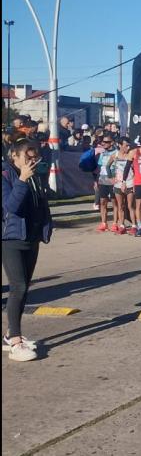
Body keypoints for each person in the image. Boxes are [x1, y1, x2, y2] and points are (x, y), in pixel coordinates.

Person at [2, 138, 52, 361]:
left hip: (31, 237)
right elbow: (11, 207)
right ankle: (15, 343)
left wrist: (45, 226)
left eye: (35, 158)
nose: (32, 162)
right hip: (11, 237)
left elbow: (40, 202)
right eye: (27, 158)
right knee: (18, 287)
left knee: (24, 289)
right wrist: (22, 179)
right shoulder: (6, 175)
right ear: (14, 156)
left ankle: (10, 334)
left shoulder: (36, 176)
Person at [94, 136, 120, 232]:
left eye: (106, 142)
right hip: (102, 179)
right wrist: (96, 181)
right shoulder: (102, 153)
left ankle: (115, 223)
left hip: (113, 180)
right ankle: (104, 223)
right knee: (102, 202)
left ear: (112, 142)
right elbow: (99, 168)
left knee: (114, 202)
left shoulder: (116, 153)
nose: (103, 143)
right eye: (102, 142)